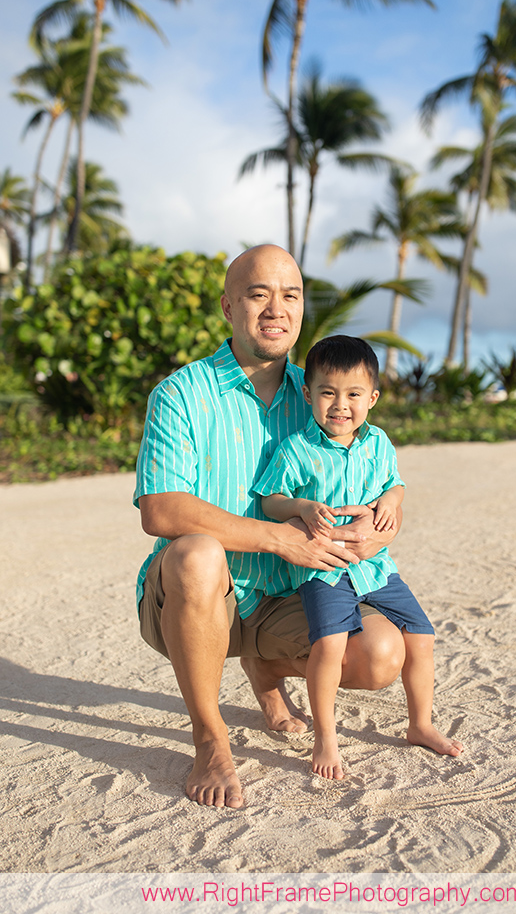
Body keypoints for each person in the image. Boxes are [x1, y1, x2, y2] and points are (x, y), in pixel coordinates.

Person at [134, 244, 405, 808]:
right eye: (259, 294)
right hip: (198, 595)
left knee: (381, 655)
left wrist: (379, 526)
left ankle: (266, 663)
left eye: (290, 295)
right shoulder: (181, 394)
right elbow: (159, 510)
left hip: (291, 593)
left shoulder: (322, 393)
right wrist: (276, 537)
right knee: (196, 555)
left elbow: (372, 477)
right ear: (230, 308)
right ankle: (209, 737)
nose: (276, 308)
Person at [258, 335, 463, 780]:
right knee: (329, 646)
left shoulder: (379, 443)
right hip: (324, 568)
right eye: (328, 392)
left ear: (371, 398)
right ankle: (326, 738)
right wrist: (300, 506)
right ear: (308, 393)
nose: (340, 405)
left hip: (376, 567)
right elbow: (270, 501)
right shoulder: (297, 449)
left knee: (422, 637)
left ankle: (420, 724)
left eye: (353, 394)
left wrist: (392, 499)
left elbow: (396, 483)